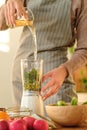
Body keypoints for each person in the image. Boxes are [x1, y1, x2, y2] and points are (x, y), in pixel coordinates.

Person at [0, 0, 87, 107]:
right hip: (22, 80)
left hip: (54, 82)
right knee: (23, 123)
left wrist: (65, 70)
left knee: (57, 122)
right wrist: (8, 6)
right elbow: (2, 24)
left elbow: (84, 49)